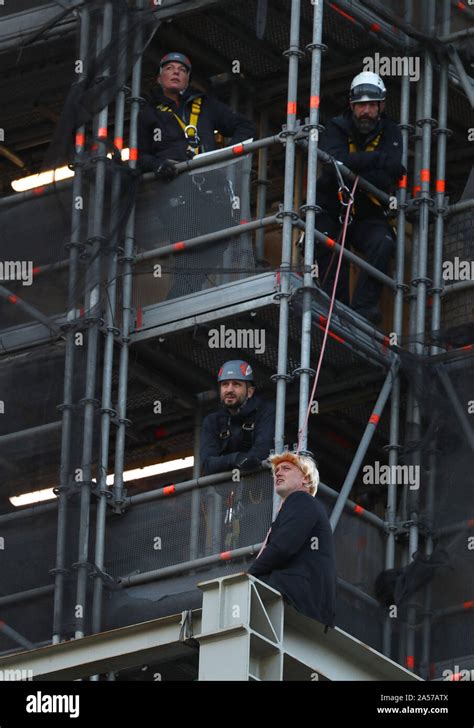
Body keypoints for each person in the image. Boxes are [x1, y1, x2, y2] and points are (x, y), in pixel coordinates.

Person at [137, 53, 256, 298]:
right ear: (160, 78)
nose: (176, 72)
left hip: (209, 188)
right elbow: (139, 157)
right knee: (187, 248)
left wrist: (227, 153)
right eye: (169, 68)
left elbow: (244, 127)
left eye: (181, 69)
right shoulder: (148, 114)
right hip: (174, 192)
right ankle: (182, 299)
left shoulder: (205, 105)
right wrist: (158, 164)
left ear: (187, 78)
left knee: (222, 233)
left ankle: (181, 295)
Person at [315, 71, 405, 325]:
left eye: (371, 105)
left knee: (384, 243)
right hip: (333, 207)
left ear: (381, 106)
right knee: (327, 242)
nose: (366, 111)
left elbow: (386, 179)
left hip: (368, 212)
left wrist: (352, 164)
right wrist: (377, 160)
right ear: (352, 106)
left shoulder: (391, 131)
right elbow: (332, 164)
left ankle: (363, 307)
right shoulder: (336, 126)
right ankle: (336, 307)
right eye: (361, 105)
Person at [247, 451, 336, 627]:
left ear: (306, 479)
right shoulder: (308, 506)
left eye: (286, 468)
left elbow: (283, 547)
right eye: (276, 470)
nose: (278, 473)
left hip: (294, 593)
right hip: (312, 606)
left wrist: (249, 576)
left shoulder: (301, 499)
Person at [200, 360, 275, 476]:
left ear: (250, 392)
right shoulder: (212, 421)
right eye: (225, 384)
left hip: (263, 485)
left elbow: (262, 453)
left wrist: (226, 462)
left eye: (236, 384)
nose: (229, 390)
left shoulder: (265, 412)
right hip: (227, 491)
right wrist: (237, 459)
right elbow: (207, 464)